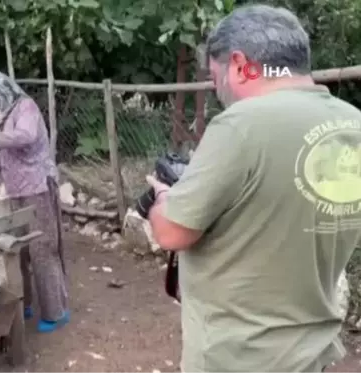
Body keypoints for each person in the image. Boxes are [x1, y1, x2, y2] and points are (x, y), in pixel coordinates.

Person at [145, 5, 361, 373]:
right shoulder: (352, 122)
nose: (217, 89)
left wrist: (163, 197)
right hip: (312, 350)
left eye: (216, 77)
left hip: (239, 355)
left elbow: (171, 232)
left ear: (240, 63)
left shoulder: (241, 125)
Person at [0, 70, 69, 333]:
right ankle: (26, 302)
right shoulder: (4, 116)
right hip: (15, 192)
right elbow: (5, 158)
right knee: (19, 250)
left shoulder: (26, 108)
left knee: (43, 250)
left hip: (37, 189)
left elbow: (26, 137)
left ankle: (56, 312)